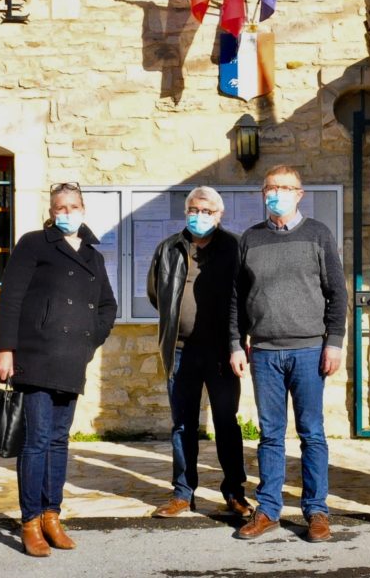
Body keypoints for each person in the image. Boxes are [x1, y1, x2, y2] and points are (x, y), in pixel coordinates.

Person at [0, 182, 118, 558]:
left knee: (60, 441)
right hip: (35, 355)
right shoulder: (33, 243)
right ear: (51, 211)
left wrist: (88, 341)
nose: (67, 213)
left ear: (83, 209)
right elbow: (11, 297)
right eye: (60, 208)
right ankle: (30, 521)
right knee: (36, 440)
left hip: (70, 359)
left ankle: (52, 516)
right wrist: (5, 349)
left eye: (73, 206)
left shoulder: (94, 256)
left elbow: (107, 307)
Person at [229, 165, 347, 543]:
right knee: (270, 435)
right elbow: (236, 299)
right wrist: (236, 343)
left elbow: (337, 293)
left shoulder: (318, 235)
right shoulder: (250, 239)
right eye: (270, 187)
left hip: (309, 350)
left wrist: (335, 342)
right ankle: (268, 509)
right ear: (263, 194)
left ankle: (316, 511)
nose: (276, 193)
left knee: (312, 433)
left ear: (300, 194)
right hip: (264, 352)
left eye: (285, 187)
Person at [146, 186, 250, 519]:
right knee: (182, 425)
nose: (199, 216)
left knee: (226, 423)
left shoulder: (234, 247)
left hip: (221, 353)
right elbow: (155, 293)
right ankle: (182, 493)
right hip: (180, 351)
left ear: (219, 215)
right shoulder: (168, 249)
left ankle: (235, 492)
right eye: (194, 210)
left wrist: (237, 341)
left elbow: (246, 295)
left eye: (206, 211)